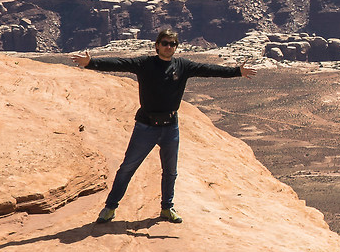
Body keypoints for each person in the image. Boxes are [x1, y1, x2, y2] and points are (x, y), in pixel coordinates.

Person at [77, 29, 251, 224]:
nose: (169, 47)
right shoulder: (145, 64)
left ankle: (167, 208)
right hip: (146, 127)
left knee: (170, 171)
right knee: (127, 168)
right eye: (165, 43)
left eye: (173, 44)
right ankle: (110, 208)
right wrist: (91, 63)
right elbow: (119, 63)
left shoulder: (182, 66)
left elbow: (208, 69)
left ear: (176, 47)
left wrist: (237, 71)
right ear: (157, 45)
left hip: (170, 127)